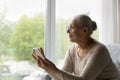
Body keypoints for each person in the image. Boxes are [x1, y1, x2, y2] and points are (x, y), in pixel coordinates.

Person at [32, 14, 120, 80]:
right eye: (68, 27)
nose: (67, 31)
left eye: (72, 27)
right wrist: (47, 67)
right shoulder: (72, 50)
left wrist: (54, 69)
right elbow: (61, 77)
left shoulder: (99, 50)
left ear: (85, 30)